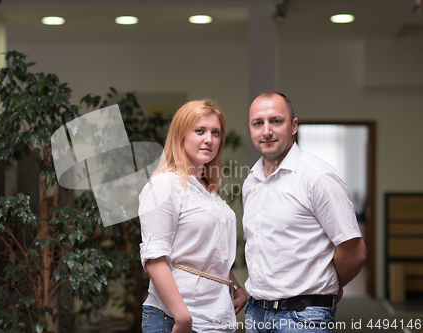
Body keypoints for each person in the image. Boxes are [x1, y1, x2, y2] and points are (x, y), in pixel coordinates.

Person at [242, 91, 367, 333]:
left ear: (293, 126)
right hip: (256, 313)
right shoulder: (251, 182)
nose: (266, 130)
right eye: (258, 123)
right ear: (250, 129)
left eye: (276, 121)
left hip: (304, 317)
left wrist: (330, 285)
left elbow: (354, 251)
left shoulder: (318, 177)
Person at [138, 99, 247, 333]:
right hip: (175, 319)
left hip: (216, 319)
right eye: (200, 131)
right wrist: (182, 318)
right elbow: (155, 258)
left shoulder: (209, 191)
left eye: (215, 132)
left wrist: (235, 286)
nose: (209, 139)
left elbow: (205, 249)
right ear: (180, 135)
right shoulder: (164, 185)